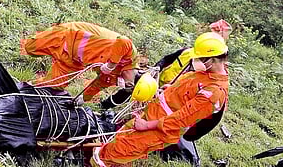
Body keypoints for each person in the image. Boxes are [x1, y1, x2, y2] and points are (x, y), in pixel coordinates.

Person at [91, 32, 229, 166]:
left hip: (159, 128)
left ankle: (100, 162)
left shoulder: (214, 92)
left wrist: (147, 125)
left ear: (213, 59)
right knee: (120, 139)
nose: (196, 61)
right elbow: (187, 87)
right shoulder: (205, 72)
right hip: (152, 113)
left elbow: (182, 118)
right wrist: (170, 89)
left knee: (121, 151)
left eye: (200, 58)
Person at [100, 19, 231, 110]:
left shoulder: (209, 70)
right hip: (156, 82)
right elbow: (167, 59)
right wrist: (157, 67)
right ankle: (106, 105)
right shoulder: (187, 51)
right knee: (131, 86)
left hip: (170, 94)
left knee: (146, 112)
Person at [20, 22, 139, 102]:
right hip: (69, 36)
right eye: (129, 85)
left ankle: (25, 89)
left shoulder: (116, 78)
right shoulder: (130, 55)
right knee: (30, 48)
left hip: (73, 61)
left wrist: (84, 98)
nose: (125, 85)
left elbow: (98, 84)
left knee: (53, 86)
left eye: (128, 89)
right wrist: (111, 64)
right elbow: (124, 41)